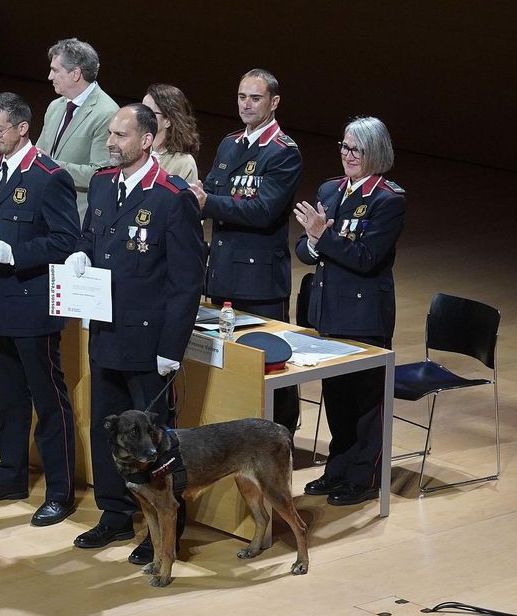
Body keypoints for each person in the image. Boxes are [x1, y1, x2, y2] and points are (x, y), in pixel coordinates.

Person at [66, 104, 205, 564]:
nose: (111, 141)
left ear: (147, 140)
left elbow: (186, 281)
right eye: (110, 133)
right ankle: (113, 514)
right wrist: (80, 256)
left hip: (148, 343)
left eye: (121, 135)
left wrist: (171, 348)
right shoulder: (105, 184)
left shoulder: (171, 195)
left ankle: (162, 527)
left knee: (154, 443)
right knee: (108, 429)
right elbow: (91, 236)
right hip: (105, 330)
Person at [0, 92, 79, 526]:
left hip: (30, 305)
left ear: (23, 128)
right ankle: (10, 476)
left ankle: (60, 491)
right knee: (6, 400)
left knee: (48, 402)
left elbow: (66, 240)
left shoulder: (49, 176)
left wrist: (14, 253)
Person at [294, 116, 405, 507]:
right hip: (327, 313)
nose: (347, 155)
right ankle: (338, 468)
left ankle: (365, 477)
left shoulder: (388, 200)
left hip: (364, 316)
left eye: (355, 149)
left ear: (375, 151)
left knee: (365, 404)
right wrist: (312, 242)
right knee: (336, 397)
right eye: (343, 147)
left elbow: (366, 257)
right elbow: (306, 250)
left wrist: (323, 237)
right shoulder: (331, 188)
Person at [189, 69, 303, 433]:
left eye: (255, 98)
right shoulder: (230, 143)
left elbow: (263, 210)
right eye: (241, 97)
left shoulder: (284, 153)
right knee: (224, 361)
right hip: (222, 271)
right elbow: (216, 193)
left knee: (271, 366)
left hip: (259, 279)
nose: (246, 104)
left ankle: (279, 439)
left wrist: (209, 202)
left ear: (274, 102)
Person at [35, 38, 119, 224]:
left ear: (75, 74)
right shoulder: (55, 106)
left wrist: (52, 166)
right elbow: (39, 155)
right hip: (43, 212)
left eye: (55, 70)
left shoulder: (107, 113)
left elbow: (100, 175)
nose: (49, 76)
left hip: (75, 218)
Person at [142, 83, 200, 184]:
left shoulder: (184, 163)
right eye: (140, 110)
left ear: (168, 121)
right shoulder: (137, 152)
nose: (140, 117)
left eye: (148, 112)